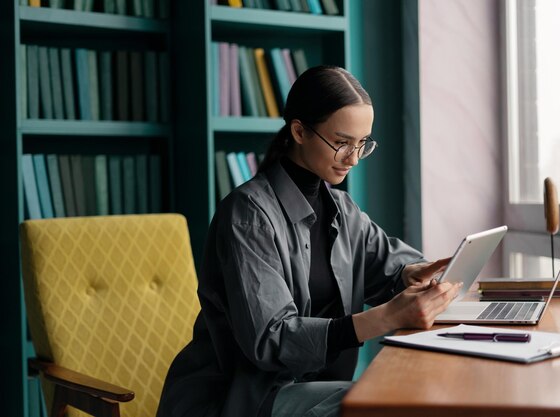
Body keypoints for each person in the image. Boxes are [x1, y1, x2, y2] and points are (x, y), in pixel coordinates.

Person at [156, 65, 461, 417]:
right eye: (342, 142)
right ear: (299, 131)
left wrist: (414, 273)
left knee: (402, 396)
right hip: (239, 400)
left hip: (306, 389)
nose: (354, 158)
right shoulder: (248, 215)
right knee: (383, 405)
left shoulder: (342, 209)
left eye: (363, 143)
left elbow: (390, 266)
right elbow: (271, 338)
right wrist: (385, 317)